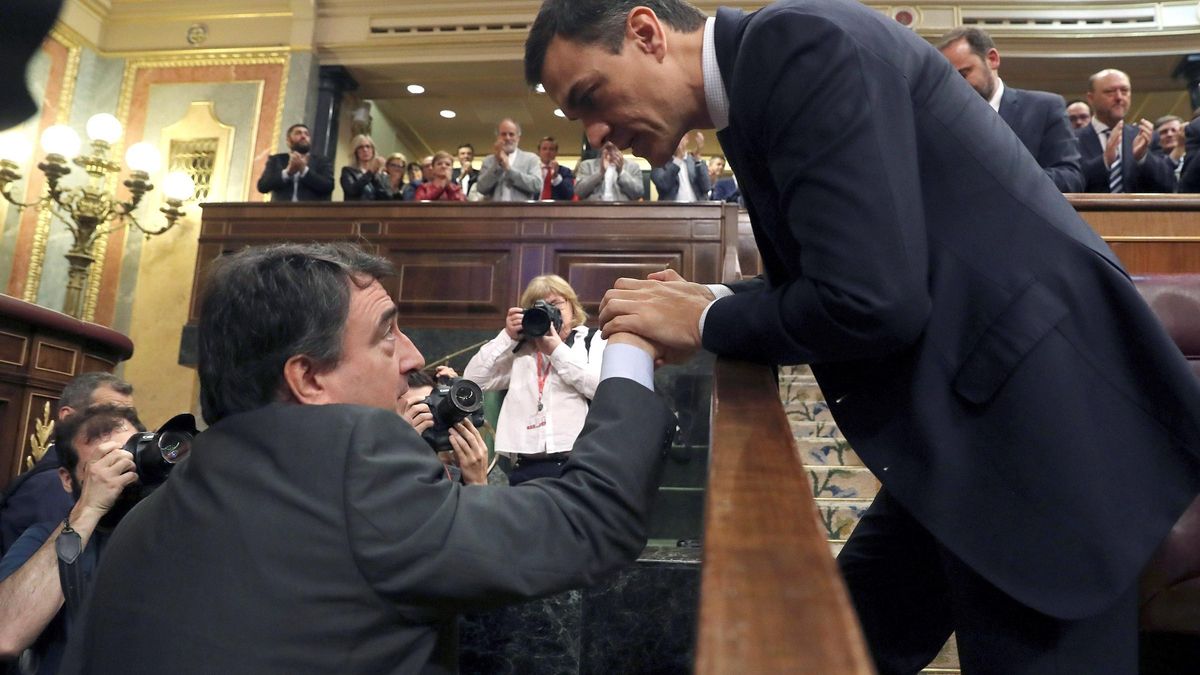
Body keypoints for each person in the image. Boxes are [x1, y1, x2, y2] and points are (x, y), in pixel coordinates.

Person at [527, 0, 1200, 671]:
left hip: (1043, 441)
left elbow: (872, 300)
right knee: (817, 649)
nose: (595, 133)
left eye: (590, 96)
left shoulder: (795, 47)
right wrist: (711, 298)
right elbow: (857, 267)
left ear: (645, 34)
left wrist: (706, 319)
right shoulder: (764, 67)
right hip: (964, 428)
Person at [58, 243, 673, 674]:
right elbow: (590, 524)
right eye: (386, 334)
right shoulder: (356, 464)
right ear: (309, 378)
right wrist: (631, 348)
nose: (413, 357)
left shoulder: (146, 518)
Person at [0, 404, 142, 674]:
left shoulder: (171, 530)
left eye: (128, 459)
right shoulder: (42, 539)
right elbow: (4, 635)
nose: (121, 475)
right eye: (102, 466)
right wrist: (88, 509)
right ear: (67, 479)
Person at [463, 275, 604, 486]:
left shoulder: (591, 341)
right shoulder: (520, 351)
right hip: (524, 467)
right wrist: (506, 336)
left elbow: (600, 389)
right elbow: (472, 381)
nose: (549, 313)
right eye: (539, 308)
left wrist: (556, 350)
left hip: (577, 464)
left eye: (555, 304)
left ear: (572, 307)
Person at [936, 27, 1084, 193]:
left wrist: (1007, 179)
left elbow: (1071, 179)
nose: (958, 87)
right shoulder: (945, 120)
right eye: (951, 80)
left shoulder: (1044, 107)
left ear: (992, 59)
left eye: (964, 74)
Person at [1, 373, 133, 555]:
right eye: (108, 414)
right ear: (68, 417)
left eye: (128, 416)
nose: (122, 425)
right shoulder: (53, 484)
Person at [1076, 69, 1177, 193]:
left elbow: (1169, 184)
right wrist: (1104, 161)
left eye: (1124, 91)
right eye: (1110, 92)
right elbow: (1069, 184)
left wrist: (1143, 157)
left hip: (1138, 212)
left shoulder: (1145, 136)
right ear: (1091, 98)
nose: (1119, 97)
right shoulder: (1073, 140)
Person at [397, 368, 489, 485]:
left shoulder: (459, 475)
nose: (431, 417)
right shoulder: (381, 472)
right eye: (418, 410)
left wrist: (477, 482)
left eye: (434, 406)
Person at [254, 123, 335, 202]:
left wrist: (304, 170)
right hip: (280, 212)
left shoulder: (322, 161)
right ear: (288, 140)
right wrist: (287, 172)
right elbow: (262, 187)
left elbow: (328, 186)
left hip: (311, 212)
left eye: (306, 134)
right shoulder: (276, 160)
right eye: (298, 133)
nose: (303, 136)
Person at [477, 118, 543, 201]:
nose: (507, 138)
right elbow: (481, 188)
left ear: (518, 138)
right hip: (494, 212)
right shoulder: (488, 160)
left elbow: (537, 185)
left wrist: (509, 170)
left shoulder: (531, 159)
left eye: (511, 134)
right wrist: (496, 164)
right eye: (503, 134)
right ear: (498, 137)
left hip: (522, 212)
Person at [574, 141, 644, 201]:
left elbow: (638, 193)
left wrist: (621, 172)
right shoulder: (586, 165)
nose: (610, 144)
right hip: (593, 211)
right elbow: (579, 192)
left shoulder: (633, 166)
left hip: (623, 212)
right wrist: (600, 173)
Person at [651, 134, 710, 201]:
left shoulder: (694, 160)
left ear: (687, 139)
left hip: (697, 208)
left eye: (680, 137)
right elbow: (664, 185)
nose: (676, 141)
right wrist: (678, 159)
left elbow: (706, 187)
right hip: (671, 209)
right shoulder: (659, 162)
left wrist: (698, 160)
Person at [339, 134, 392, 201]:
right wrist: (370, 172)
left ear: (373, 150)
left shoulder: (381, 174)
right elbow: (352, 191)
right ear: (356, 151)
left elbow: (388, 197)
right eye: (360, 147)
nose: (365, 150)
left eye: (368, 146)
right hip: (355, 210)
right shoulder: (348, 171)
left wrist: (377, 175)